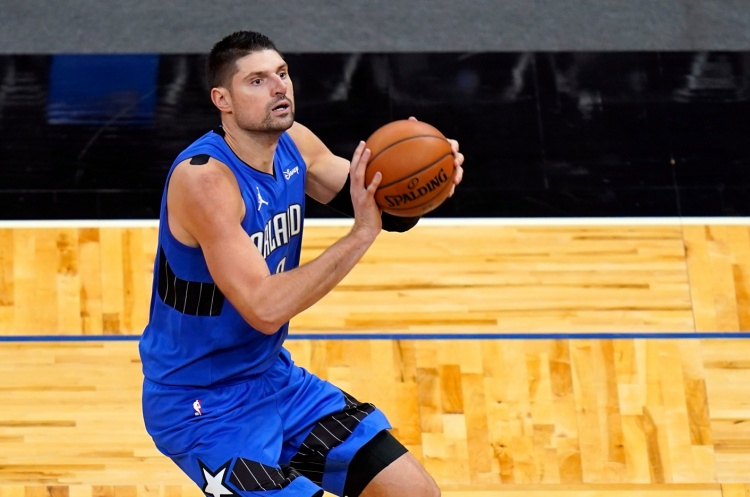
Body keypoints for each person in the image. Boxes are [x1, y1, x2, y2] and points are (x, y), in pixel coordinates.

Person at [139, 30, 464, 497]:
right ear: (222, 100)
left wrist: (429, 172)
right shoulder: (205, 181)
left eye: (282, 73)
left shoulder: (295, 143)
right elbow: (265, 308)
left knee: (415, 493)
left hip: (273, 381)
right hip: (202, 406)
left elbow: (382, 207)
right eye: (257, 80)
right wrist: (361, 235)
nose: (279, 87)